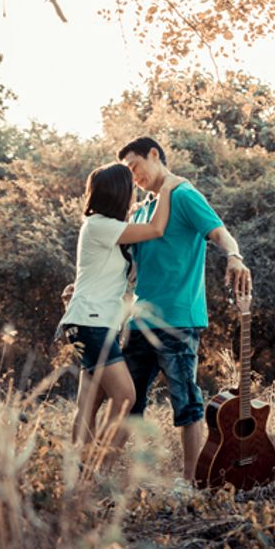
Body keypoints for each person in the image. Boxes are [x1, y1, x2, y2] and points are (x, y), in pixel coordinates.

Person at [118, 136, 252, 484]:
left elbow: (221, 233)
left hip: (178, 319)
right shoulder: (145, 208)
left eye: (135, 167)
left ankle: (190, 483)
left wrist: (234, 257)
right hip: (139, 321)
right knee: (126, 403)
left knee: (186, 403)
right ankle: (104, 482)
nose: (134, 177)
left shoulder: (185, 195)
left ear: (154, 155)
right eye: (128, 173)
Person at [59, 161, 183, 461]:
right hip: (91, 324)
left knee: (88, 404)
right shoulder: (100, 225)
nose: (133, 194)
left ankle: (79, 477)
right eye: (130, 189)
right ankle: (93, 470)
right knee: (126, 397)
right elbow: (155, 228)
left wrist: (153, 199)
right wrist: (166, 187)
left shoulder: (105, 226)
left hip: (91, 321)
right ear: (118, 192)